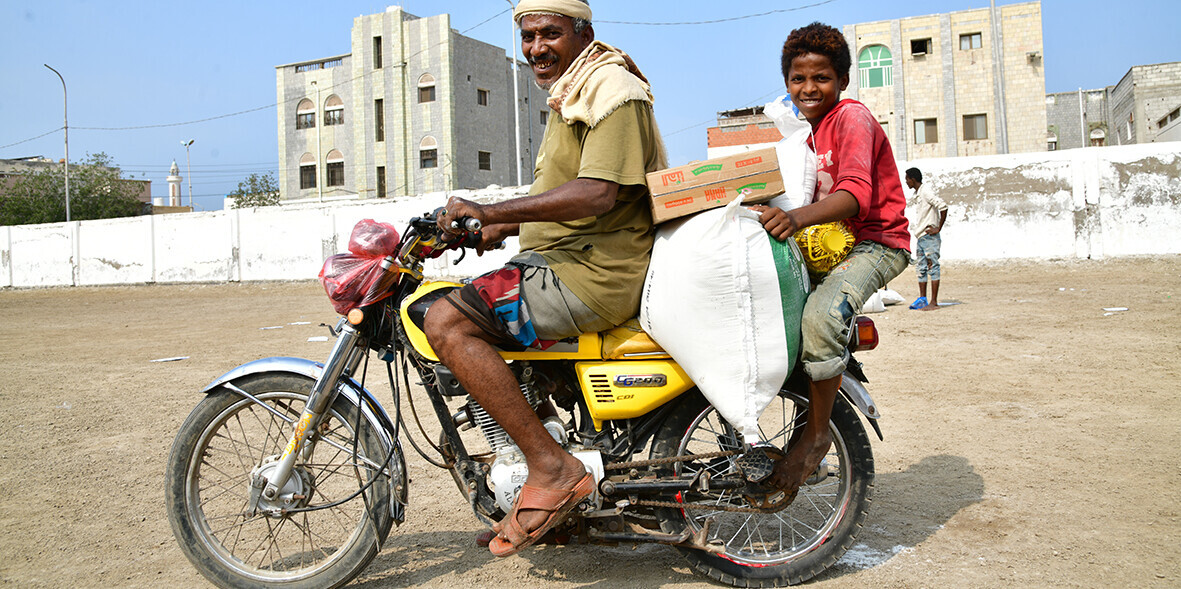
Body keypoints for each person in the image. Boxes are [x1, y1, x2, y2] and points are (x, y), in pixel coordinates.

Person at [422, 0, 665, 557]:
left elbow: (599, 193)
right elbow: (565, 197)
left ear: (584, 33)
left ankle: (552, 468)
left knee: (448, 322)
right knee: (444, 308)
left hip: (595, 272)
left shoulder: (611, 91)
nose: (536, 48)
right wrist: (500, 229)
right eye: (527, 36)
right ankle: (551, 466)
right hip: (563, 258)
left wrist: (495, 211)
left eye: (550, 33)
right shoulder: (574, 91)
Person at [750, 22, 910, 499]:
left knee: (820, 319)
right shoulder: (805, 133)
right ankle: (805, 417)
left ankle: (817, 436)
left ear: (841, 79)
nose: (808, 88)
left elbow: (856, 195)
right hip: (834, 241)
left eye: (820, 78)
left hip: (878, 243)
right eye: (798, 79)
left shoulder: (852, 119)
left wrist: (795, 219)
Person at [905, 167, 948, 310]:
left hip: (930, 237)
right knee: (921, 268)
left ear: (913, 179)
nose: (906, 182)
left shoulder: (926, 192)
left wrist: (938, 228)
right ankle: (922, 299)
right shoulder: (919, 194)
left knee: (933, 267)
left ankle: (933, 302)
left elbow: (943, 206)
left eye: (907, 179)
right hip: (922, 236)